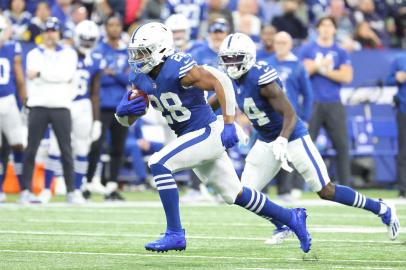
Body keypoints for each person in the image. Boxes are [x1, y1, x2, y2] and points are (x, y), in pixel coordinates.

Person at [115, 22, 311, 253]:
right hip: (190, 136)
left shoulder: (180, 68)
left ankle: (175, 234)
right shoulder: (139, 76)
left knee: (159, 163)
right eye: (135, 52)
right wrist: (122, 114)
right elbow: (129, 119)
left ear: (161, 49)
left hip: (206, 132)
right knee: (234, 194)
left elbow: (222, 81)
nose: (137, 57)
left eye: (143, 51)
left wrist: (229, 123)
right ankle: (291, 217)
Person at [216, 32, 400, 246]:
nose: (231, 63)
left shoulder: (262, 80)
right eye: (227, 58)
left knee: (326, 190)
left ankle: (382, 208)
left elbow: (291, 114)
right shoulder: (229, 79)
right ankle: (284, 223)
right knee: (243, 194)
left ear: (248, 56)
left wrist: (283, 139)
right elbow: (217, 100)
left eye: (235, 57)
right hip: (266, 140)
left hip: (292, 136)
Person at [39, 20, 104, 203]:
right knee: (54, 146)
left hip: (83, 106)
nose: (87, 43)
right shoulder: (64, 54)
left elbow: (95, 93)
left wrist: (97, 120)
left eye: (91, 39)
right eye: (84, 39)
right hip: (64, 103)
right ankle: (46, 189)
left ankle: (76, 189)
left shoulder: (96, 59)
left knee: (82, 148)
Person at [22, 17, 78, 204]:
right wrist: (49, 75)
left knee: (66, 149)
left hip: (61, 105)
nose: (50, 34)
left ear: (59, 33)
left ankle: (71, 191)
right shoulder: (33, 54)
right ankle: (25, 190)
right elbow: (33, 74)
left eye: (53, 31)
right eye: (47, 31)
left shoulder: (69, 53)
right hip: (38, 105)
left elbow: (66, 75)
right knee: (31, 148)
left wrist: (41, 73)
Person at [300, 16, 353, 186]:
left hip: (334, 103)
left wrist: (319, 68)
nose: (326, 29)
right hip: (312, 102)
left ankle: (346, 185)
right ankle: (295, 187)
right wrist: (324, 65)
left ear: (334, 29)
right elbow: (303, 71)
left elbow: (346, 76)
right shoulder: (308, 49)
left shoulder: (341, 51)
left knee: (342, 146)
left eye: (329, 25)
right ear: (318, 29)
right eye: (323, 25)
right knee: (304, 145)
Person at [85, 14, 129, 201]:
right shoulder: (98, 49)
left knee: (118, 147)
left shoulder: (128, 52)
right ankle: (88, 183)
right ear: (105, 28)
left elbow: (130, 78)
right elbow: (97, 78)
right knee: (96, 144)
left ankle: (112, 185)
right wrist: (116, 75)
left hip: (121, 105)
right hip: (101, 105)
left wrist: (113, 73)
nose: (114, 28)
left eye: (117, 25)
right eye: (110, 25)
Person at [265, 31, 313, 203]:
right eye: (277, 42)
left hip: (288, 117)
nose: (280, 46)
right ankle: (261, 189)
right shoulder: (267, 64)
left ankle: (285, 190)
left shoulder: (298, 66)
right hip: (268, 116)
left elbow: (307, 94)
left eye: (284, 42)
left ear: (290, 44)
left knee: (287, 153)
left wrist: (305, 117)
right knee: (263, 150)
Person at [0, 15, 27, 203]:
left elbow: (19, 78)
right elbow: (19, 79)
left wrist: (24, 102)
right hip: (8, 101)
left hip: (9, 100)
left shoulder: (11, 48)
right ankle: (16, 190)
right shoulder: (11, 47)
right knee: (13, 146)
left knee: (17, 144)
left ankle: (23, 189)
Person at [386, 53, 406, 198]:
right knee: (403, 150)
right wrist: (396, 79)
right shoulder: (399, 59)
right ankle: (403, 188)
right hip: (404, 109)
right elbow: (388, 80)